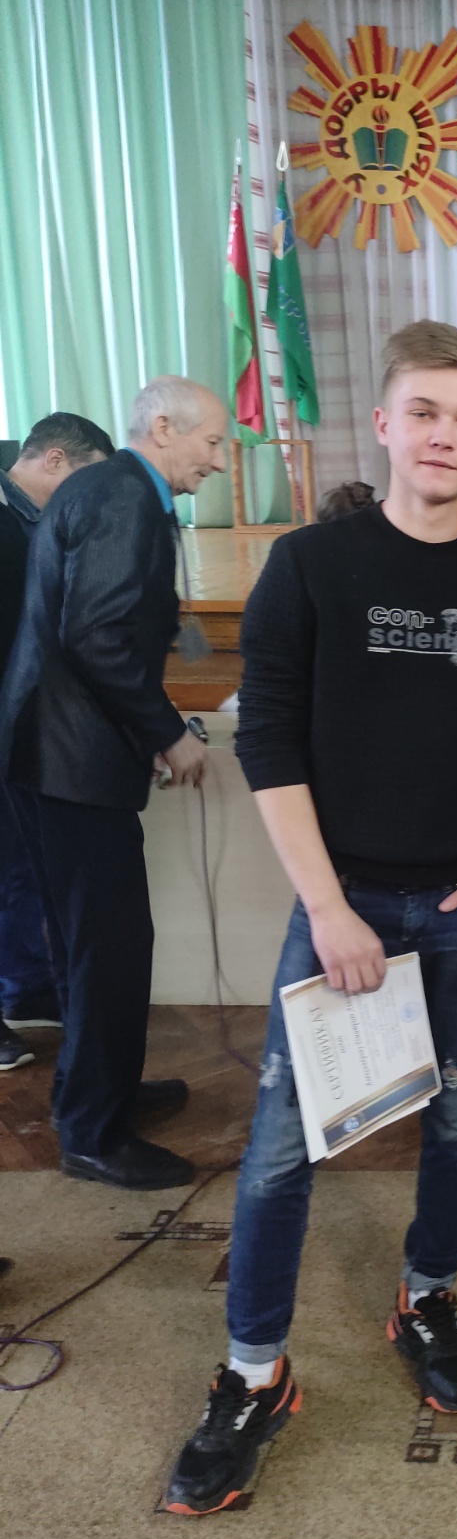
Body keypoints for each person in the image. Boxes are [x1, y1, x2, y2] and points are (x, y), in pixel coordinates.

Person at [164, 321, 457, 1517]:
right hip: (343, 907)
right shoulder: (309, 566)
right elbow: (269, 742)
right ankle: (252, 1374)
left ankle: (426, 1297)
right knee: (282, 1149)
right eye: (423, 412)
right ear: (384, 425)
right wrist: (328, 907)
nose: (443, 435)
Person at [0, 379, 226, 1186]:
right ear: (163, 428)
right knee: (109, 948)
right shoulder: (124, 495)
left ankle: (100, 1094)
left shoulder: (106, 489)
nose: (219, 462)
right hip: (70, 764)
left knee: (90, 944)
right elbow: (96, 636)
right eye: (212, 443)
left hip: (54, 755)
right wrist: (167, 733)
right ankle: (95, 1133)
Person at [0, 414, 114, 1071]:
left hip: (23, 727)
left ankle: (24, 986)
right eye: (86, 480)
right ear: (54, 461)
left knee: (20, 866)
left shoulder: (35, 522)